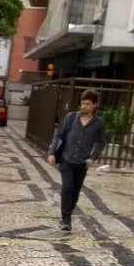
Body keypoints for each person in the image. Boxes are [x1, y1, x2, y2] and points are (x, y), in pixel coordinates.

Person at [45, 88, 107, 232]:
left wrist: (92, 157)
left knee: (75, 191)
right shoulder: (71, 118)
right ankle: (65, 220)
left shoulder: (99, 123)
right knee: (67, 187)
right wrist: (51, 152)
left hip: (82, 163)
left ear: (95, 105)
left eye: (87, 104)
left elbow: (101, 142)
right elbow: (58, 135)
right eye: (82, 103)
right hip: (66, 160)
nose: (84, 106)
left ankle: (68, 214)